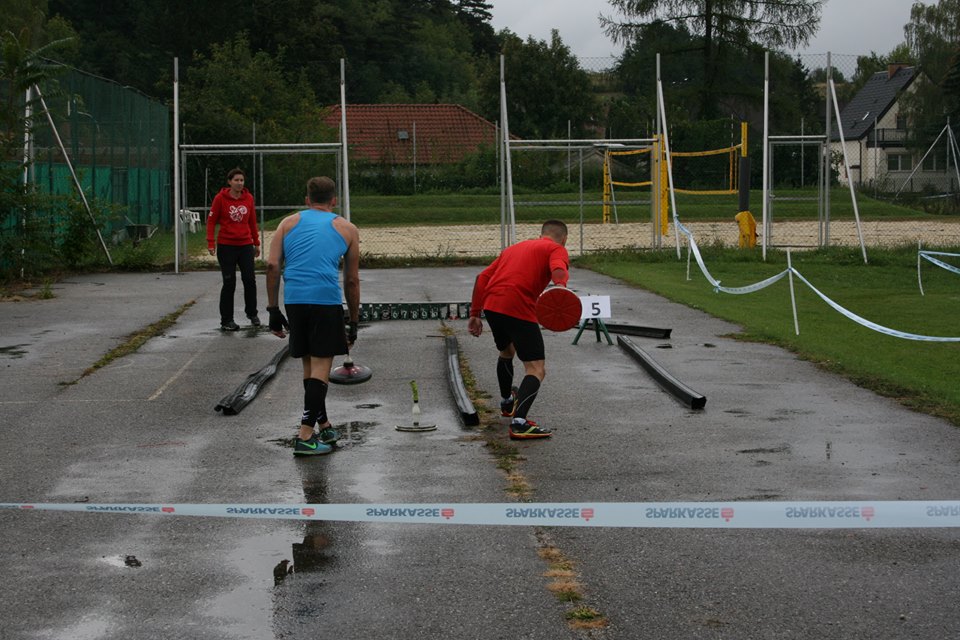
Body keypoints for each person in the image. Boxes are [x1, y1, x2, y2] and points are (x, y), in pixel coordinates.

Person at [265, 176, 360, 456]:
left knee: (310, 367)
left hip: (295, 300)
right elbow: (352, 280)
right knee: (321, 368)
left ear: (307, 200)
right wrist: (353, 321)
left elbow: (272, 266)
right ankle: (305, 436)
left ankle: (324, 424)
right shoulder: (347, 228)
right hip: (324, 301)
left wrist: (272, 310)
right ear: (334, 200)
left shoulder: (287, 223)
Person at [467, 220, 570, 440]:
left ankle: (507, 403)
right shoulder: (556, 248)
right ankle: (520, 422)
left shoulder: (513, 248)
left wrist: (475, 314)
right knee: (536, 369)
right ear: (564, 238)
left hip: (493, 305)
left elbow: (482, 278)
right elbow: (558, 269)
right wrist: (561, 289)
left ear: (541, 233)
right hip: (518, 306)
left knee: (507, 350)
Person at [207, 167, 261, 330]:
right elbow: (211, 221)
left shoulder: (248, 198)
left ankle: (252, 313)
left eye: (241, 180)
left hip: (245, 245)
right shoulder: (220, 199)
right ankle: (227, 320)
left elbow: (252, 221)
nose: (239, 183)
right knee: (229, 282)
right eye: (236, 180)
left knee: (250, 279)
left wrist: (256, 242)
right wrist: (211, 242)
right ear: (229, 182)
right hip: (226, 246)